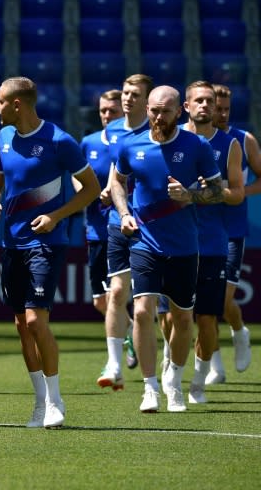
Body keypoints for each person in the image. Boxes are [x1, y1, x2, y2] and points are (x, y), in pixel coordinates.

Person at [0, 77, 100, 428]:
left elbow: (91, 189)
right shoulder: (3, 138)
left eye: (0, 101)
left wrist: (55, 216)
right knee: (22, 326)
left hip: (47, 244)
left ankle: (55, 400)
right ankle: (38, 401)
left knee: (36, 320)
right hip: (11, 243)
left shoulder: (59, 141)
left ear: (18, 104)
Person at [111, 85, 223, 413]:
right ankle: (150, 388)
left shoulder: (197, 146)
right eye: (154, 110)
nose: (159, 117)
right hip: (144, 242)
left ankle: (174, 380)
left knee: (183, 320)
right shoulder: (130, 144)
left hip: (185, 247)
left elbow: (217, 191)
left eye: (166, 111)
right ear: (147, 109)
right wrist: (124, 214)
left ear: (180, 112)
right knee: (143, 311)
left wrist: (191, 195)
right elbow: (117, 182)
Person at [171, 81, 244, 404]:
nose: (204, 106)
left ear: (216, 108)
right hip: (171, 241)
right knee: (169, 318)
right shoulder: (170, 140)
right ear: (185, 106)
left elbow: (237, 194)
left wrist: (210, 190)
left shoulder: (230, 145)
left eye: (209, 102)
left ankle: (198, 381)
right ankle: (170, 368)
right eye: (198, 101)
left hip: (212, 244)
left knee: (207, 318)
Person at [98, 74, 155, 389]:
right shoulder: (113, 131)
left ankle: (167, 367)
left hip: (154, 223)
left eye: (135, 94)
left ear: (147, 101)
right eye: (126, 92)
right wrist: (109, 192)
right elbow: (115, 170)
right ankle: (114, 364)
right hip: (119, 221)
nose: (127, 98)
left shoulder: (157, 130)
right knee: (117, 292)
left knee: (151, 303)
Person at [204, 83, 260, 383]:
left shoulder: (243, 139)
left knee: (222, 301)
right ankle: (215, 366)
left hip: (232, 229)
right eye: (218, 107)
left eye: (227, 108)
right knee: (205, 305)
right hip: (199, 229)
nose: (223, 114)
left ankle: (239, 332)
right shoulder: (192, 139)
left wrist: (236, 192)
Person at [78, 90, 126, 390]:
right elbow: (76, 177)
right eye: (103, 111)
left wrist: (113, 191)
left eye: (112, 111)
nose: (107, 115)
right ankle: (130, 332)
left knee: (118, 294)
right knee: (100, 300)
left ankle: (116, 359)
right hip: (94, 228)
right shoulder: (89, 143)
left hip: (122, 228)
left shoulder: (127, 142)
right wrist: (91, 192)